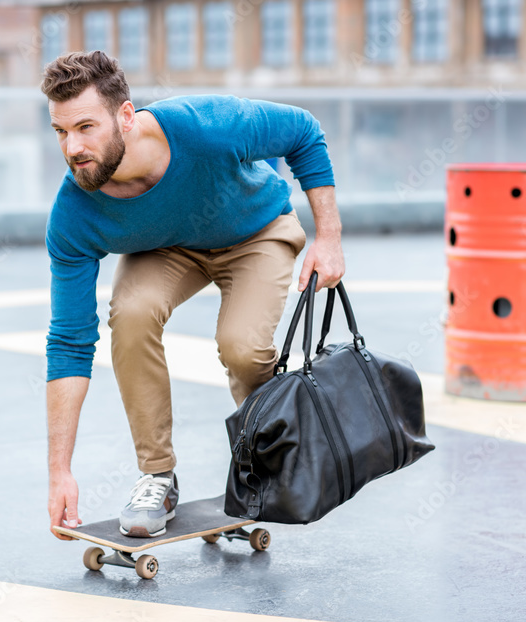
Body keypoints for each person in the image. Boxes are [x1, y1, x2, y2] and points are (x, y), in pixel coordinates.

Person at [43, 51, 345, 540]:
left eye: (85, 127)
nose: (72, 147)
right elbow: (70, 343)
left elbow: (304, 133)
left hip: (256, 232)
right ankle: (157, 475)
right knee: (133, 311)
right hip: (170, 248)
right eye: (60, 131)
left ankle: (259, 461)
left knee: (242, 346)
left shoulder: (206, 125)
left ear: (126, 116)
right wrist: (60, 472)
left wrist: (328, 238)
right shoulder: (75, 214)